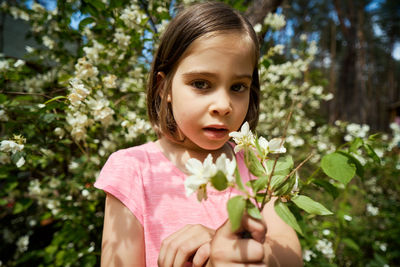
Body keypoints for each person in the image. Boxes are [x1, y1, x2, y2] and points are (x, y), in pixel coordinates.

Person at [95, 2, 303, 266]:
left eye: (238, 86)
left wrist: (224, 248)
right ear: (164, 88)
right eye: (201, 84)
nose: (224, 105)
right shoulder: (132, 170)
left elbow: (290, 256)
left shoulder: (259, 165)